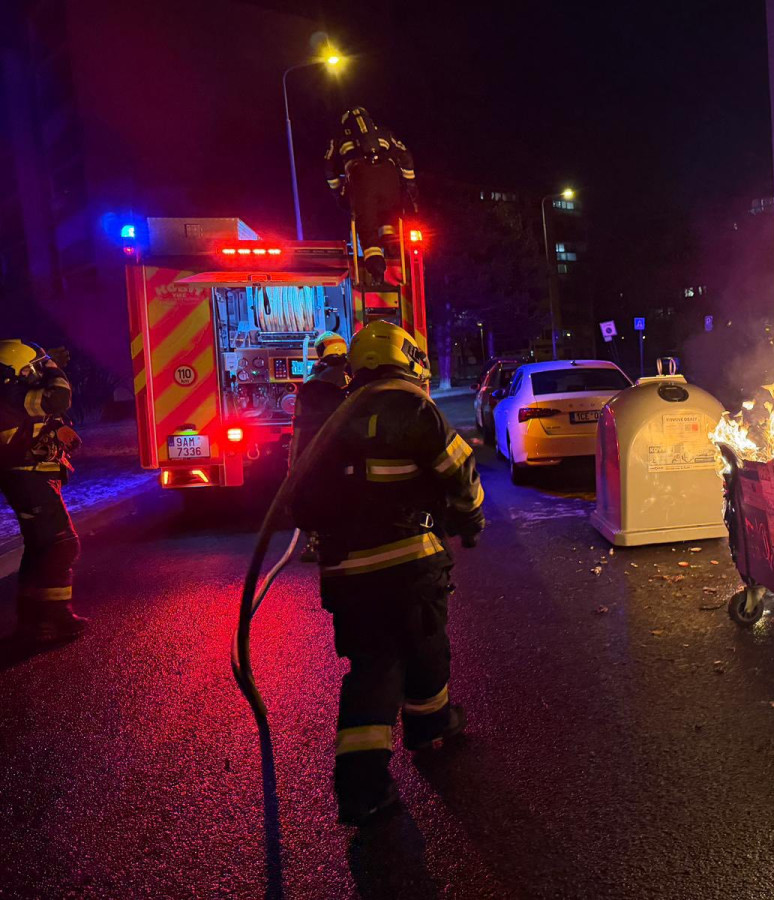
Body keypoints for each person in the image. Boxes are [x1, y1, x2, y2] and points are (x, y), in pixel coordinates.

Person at [291, 321, 484, 826]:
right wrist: (471, 519)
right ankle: (365, 785)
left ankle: (425, 730)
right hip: (408, 561)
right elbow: (459, 471)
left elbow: (300, 501)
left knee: (380, 661)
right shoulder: (413, 406)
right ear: (408, 358)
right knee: (410, 652)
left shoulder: (332, 415)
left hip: (345, 571)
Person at [0, 340, 86, 644]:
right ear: (19, 372)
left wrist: (56, 431)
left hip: (26, 478)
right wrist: (53, 367)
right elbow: (58, 398)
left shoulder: (14, 394)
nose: (40, 373)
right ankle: (53, 619)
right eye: (34, 368)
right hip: (28, 480)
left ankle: (33, 620)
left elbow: (39, 419)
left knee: (40, 548)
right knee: (61, 545)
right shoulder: (12, 394)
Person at [324, 107, 418, 286]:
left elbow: (329, 168)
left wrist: (338, 194)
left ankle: (377, 274)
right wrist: (411, 184)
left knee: (367, 227)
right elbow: (405, 156)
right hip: (389, 177)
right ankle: (393, 254)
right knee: (388, 220)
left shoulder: (339, 138)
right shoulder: (383, 132)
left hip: (361, 179)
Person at [291, 331, 352, 563]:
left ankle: (314, 540)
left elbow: (299, 426)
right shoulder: (353, 378)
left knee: (312, 492)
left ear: (320, 351)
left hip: (315, 450)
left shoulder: (311, 384)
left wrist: (294, 465)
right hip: (345, 449)